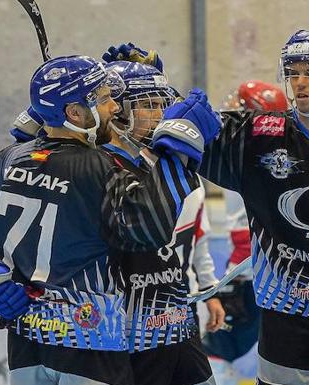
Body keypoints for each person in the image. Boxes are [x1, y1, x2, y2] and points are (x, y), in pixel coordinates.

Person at [105, 28, 309, 384]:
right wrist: (138, 91)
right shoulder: (255, 136)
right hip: (285, 315)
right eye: (292, 72)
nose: (299, 82)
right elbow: (183, 131)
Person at [0, 54, 221, 385]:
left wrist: (40, 126)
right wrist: (179, 153)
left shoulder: (10, 157)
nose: (113, 108)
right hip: (93, 336)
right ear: (74, 112)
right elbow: (149, 227)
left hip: (34, 337)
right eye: (106, 99)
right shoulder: (100, 167)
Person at [103, 60, 222, 385]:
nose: (159, 114)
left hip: (180, 322)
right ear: (118, 111)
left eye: (162, 105)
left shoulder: (170, 164)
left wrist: (209, 289)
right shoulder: (100, 167)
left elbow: (194, 232)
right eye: (147, 105)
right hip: (130, 333)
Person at [202, 80, 288, 385]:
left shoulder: (238, 153)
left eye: (239, 107)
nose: (230, 113)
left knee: (218, 351)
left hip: (246, 272)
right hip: (275, 274)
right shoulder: (283, 157)